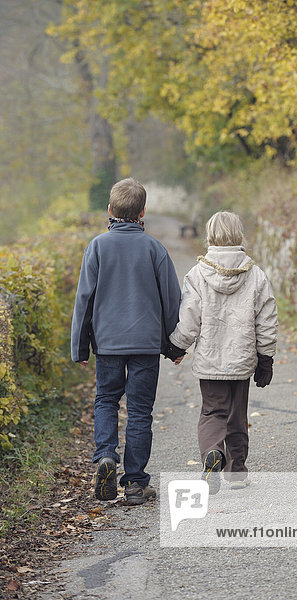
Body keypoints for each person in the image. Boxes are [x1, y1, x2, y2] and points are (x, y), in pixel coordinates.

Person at [71, 178, 181, 505]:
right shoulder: (155, 249)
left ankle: (105, 455)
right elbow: (171, 302)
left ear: (109, 210)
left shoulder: (97, 247)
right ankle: (134, 484)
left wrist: (80, 347)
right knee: (139, 411)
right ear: (143, 211)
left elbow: (84, 300)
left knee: (106, 399)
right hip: (146, 345)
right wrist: (173, 346)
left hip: (107, 344)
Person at [166, 211, 278, 493]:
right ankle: (237, 472)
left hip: (210, 360)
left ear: (210, 236)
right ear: (240, 236)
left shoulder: (197, 274)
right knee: (237, 415)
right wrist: (266, 358)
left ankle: (212, 454)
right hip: (241, 360)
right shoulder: (256, 275)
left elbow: (190, 318)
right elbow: (267, 319)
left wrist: (176, 345)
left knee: (213, 412)